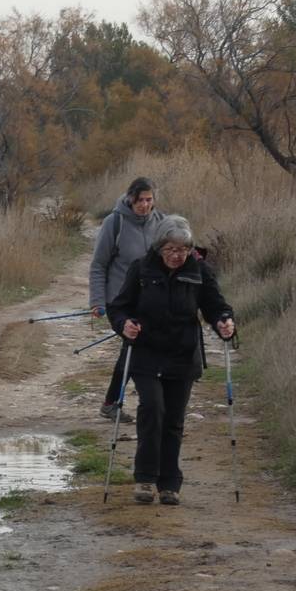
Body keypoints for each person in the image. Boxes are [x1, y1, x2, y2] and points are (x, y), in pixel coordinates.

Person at [107, 216, 235, 506]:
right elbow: (119, 307)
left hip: (182, 354)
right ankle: (145, 478)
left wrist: (225, 322)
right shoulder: (141, 269)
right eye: (171, 250)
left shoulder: (199, 270)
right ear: (159, 247)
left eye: (183, 250)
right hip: (146, 352)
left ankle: (169, 483)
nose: (177, 256)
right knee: (152, 409)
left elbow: (216, 306)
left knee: (174, 419)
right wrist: (124, 323)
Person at [88, 176, 171, 423]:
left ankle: (113, 402)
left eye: (149, 200)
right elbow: (98, 265)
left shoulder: (162, 222)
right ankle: (116, 403)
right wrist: (97, 301)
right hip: (119, 302)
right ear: (130, 199)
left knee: (135, 348)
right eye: (140, 200)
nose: (145, 205)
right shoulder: (115, 223)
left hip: (151, 301)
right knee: (134, 344)